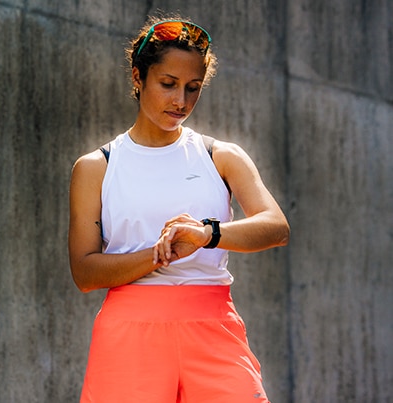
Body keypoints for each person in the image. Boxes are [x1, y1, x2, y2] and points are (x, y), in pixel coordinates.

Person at [68, 15, 290, 403]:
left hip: (213, 328)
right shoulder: (96, 167)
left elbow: (276, 226)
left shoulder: (221, 156)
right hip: (129, 336)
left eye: (193, 88)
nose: (181, 101)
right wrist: (160, 254)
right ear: (138, 77)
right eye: (168, 84)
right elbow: (84, 272)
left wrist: (207, 234)